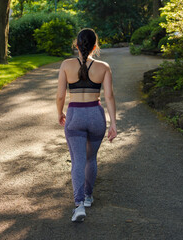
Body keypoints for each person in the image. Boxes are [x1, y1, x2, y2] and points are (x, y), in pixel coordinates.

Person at [56, 28, 117, 222]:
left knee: (78, 161)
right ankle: (88, 196)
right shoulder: (104, 67)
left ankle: (79, 204)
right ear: (95, 46)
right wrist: (113, 123)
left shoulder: (66, 65)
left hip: (75, 115)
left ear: (77, 45)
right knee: (91, 159)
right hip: (95, 116)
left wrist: (59, 112)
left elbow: (60, 96)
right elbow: (109, 96)